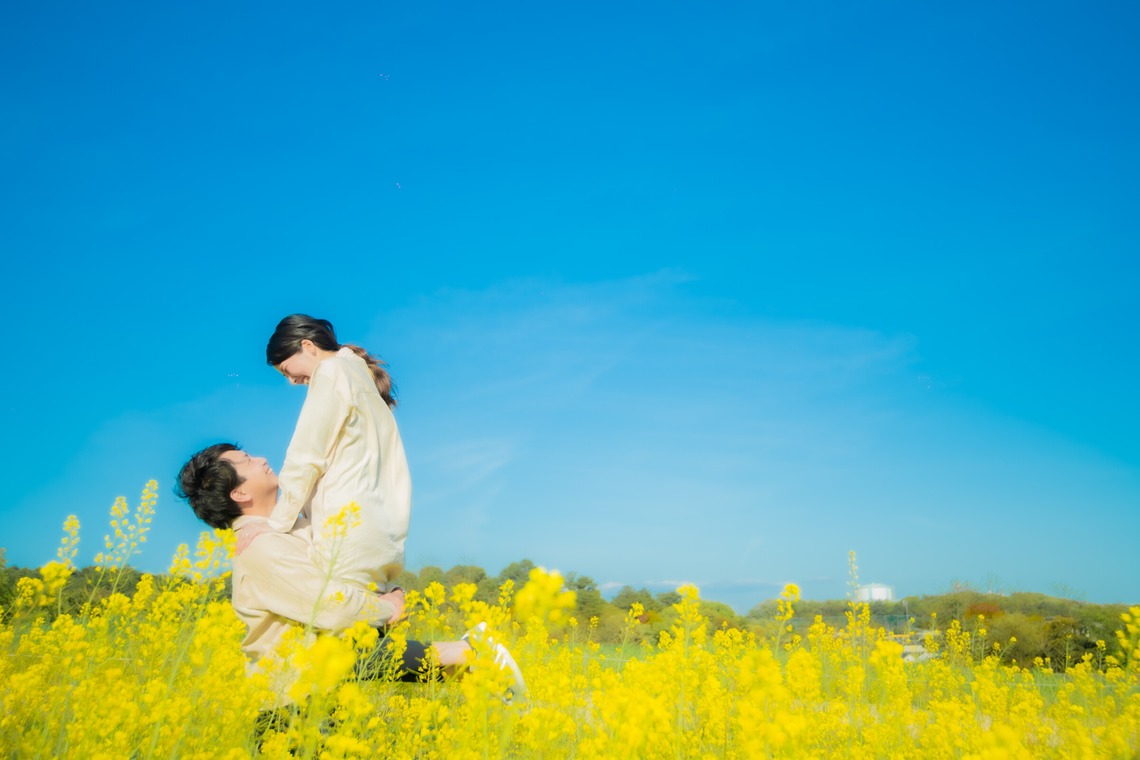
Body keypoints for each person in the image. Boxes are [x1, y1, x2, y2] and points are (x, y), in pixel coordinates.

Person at [175, 442, 526, 703]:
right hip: (292, 702)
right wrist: (388, 609)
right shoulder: (261, 547)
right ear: (239, 492)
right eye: (247, 461)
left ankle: (466, 660)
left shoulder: (288, 528)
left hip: (324, 688)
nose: (262, 459)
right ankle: (467, 655)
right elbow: (331, 607)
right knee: (352, 642)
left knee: (355, 649)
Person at [237, 315, 411, 591]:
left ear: (307, 345)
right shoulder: (360, 376)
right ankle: (464, 639)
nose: (292, 381)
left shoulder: (331, 372)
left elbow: (305, 455)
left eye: (286, 370)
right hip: (379, 534)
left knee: (338, 623)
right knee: (369, 625)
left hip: (344, 533)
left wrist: (276, 523)